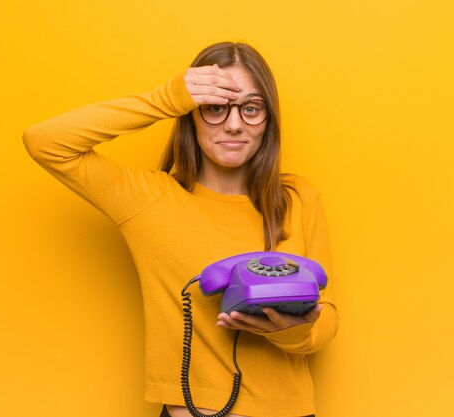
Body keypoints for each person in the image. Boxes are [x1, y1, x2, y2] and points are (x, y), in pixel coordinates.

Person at [23, 42, 338, 417]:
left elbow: (327, 318)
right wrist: (167, 99)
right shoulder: (148, 200)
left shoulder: (298, 198)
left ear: (268, 120)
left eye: (251, 109)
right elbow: (45, 142)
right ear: (190, 115)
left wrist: (287, 328)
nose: (234, 124)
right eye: (215, 108)